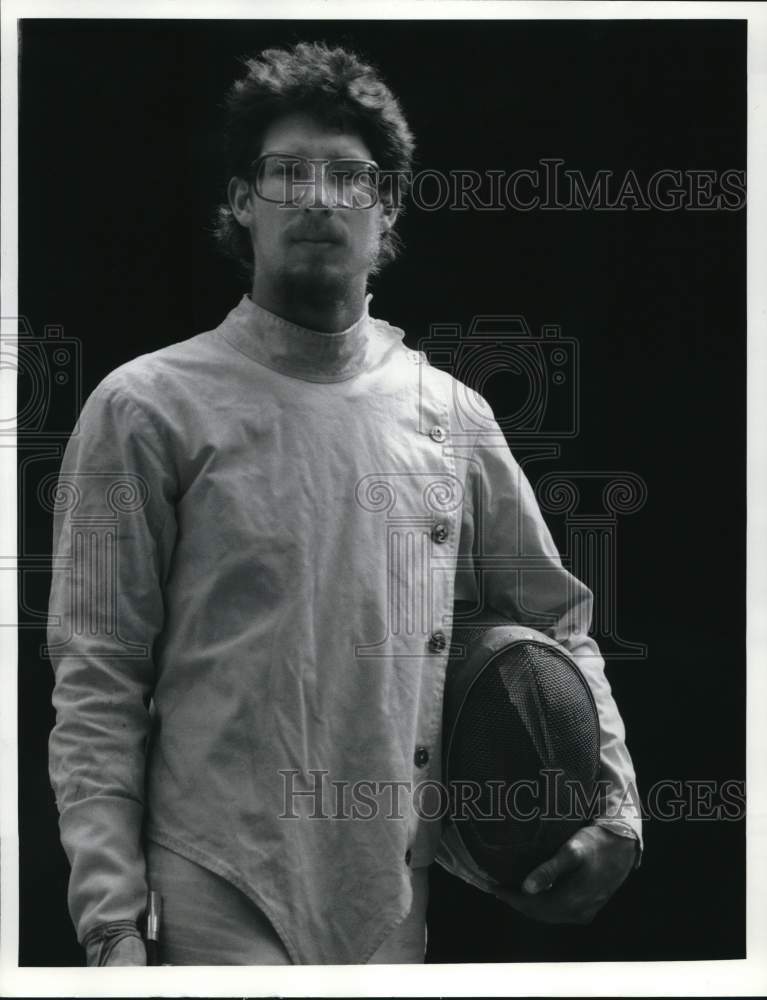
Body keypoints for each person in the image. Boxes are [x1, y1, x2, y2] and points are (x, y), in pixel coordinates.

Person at [47, 40, 642, 967]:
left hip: (390, 903)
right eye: (286, 173)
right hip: (210, 889)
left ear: (387, 208)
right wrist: (111, 922)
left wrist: (615, 807)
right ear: (241, 201)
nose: (318, 198)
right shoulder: (145, 407)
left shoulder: (452, 414)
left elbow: (554, 622)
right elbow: (99, 675)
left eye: (349, 177)